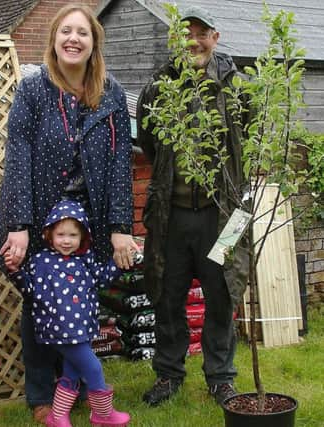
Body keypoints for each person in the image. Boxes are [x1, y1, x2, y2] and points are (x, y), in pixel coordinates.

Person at [0, 4, 137, 422]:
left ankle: (71, 393)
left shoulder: (110, 92)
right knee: (41, 301)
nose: (74, 39)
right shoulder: (34, 89)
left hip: (86, 220)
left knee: (80, 300)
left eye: (83, 33)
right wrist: (19, 226)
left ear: (94, 43)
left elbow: (119, 163)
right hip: (39, 214)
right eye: (66, 32)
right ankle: (41, 395)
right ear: (54, 40)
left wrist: (118, 228)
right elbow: (18, 153)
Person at [137, 5, 250, 407]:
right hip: (173, 215)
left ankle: (221, 377)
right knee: (168, 295)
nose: (194, 41)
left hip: (224, 217)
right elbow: (148, 144)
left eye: (202, 34)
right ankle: (169, 375)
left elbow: (250, 146)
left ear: (215, 38)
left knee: (222, 295)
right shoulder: (158, 88)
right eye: (187, 34)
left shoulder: (239, 87)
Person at [5, 200, 130, 427]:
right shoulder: (41, 261)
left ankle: (58, 416)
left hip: (83, 328)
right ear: (50, 234)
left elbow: (101, 279)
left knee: (71, 372)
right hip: (58, 329)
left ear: (82, 237)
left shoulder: (86, 259)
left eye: (72, 235)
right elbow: (30, 291)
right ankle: (103, 414)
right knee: (92, 367)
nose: (66, 240)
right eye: (60, 234)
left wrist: (118, 263)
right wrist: (16, 271)